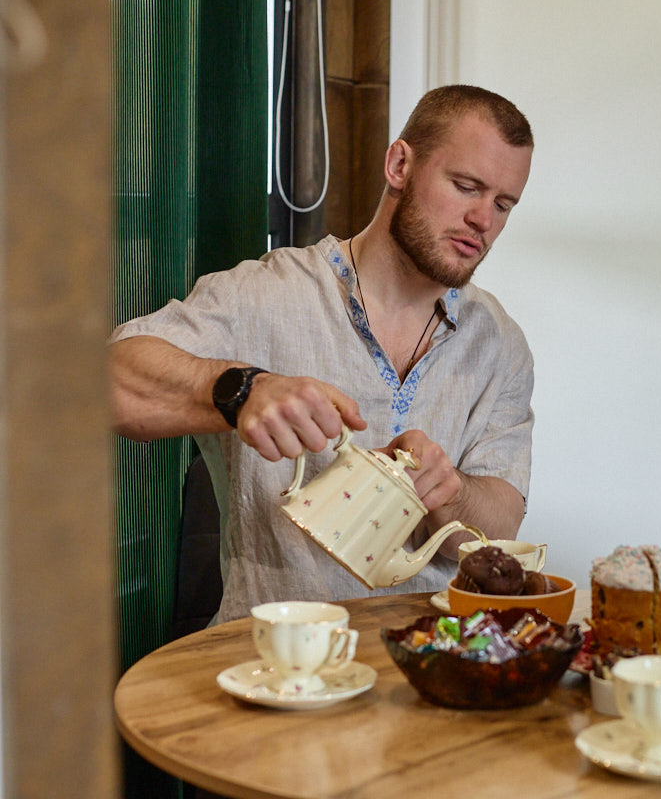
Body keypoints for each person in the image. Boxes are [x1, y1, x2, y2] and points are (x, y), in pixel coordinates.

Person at [109, 85, 536, 625]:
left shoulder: (500, 342)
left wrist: (448, 493)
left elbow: (500, 529)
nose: (484, 219)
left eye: (503, 204)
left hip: (432, 663)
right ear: (400, 164)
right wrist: (242, 390)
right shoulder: (263, 294)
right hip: (273, 663)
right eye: (466, 186)